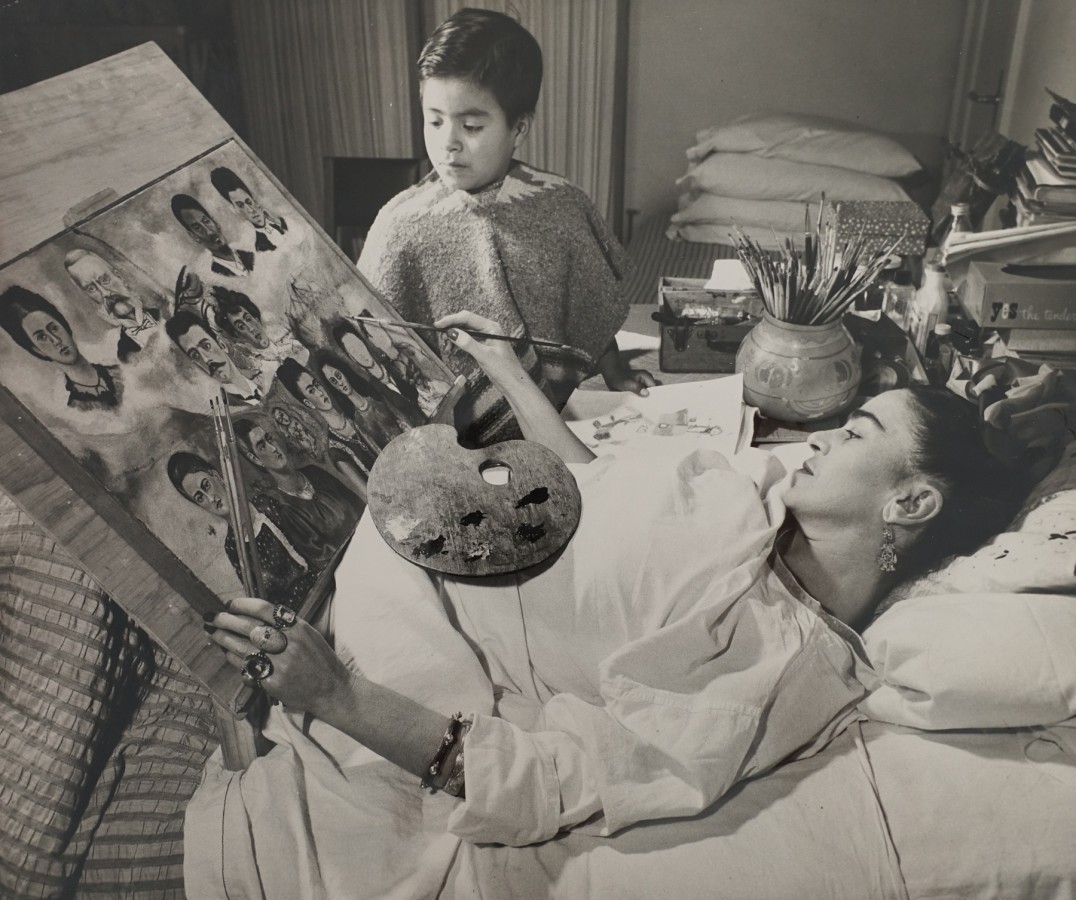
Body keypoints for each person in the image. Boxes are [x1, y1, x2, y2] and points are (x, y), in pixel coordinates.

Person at [206, 309, 1031, 848]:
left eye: (857, 434)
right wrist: (508, 370)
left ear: (911, 501)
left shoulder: (777, 661)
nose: (821, 439)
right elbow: (597, 487)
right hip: (417, 518)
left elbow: (555, 780)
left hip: (401, 608)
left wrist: (336, 696)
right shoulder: (775, 492)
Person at [357, 8, 655, 445]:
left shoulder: (559, 205)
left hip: (559, 429)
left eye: (471, 125)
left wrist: (614, 370)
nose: (448, 142)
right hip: (444, 440)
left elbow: (588, 308)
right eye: (434, 120)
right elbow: (374, 344)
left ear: (519, 128)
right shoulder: (401, 224)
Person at [167, 450, 317, 608]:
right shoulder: (233, 547)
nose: (211, 498)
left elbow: (309, 543)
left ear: (216, 476)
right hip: (294, 613)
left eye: (206, 486)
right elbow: (260, 599)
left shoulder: (265, 505)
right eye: (200, 497)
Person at [231, 416, 364, 567]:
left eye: (269, 439)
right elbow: (324, 559)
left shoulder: (315, 473)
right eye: (262, 446)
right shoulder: (286, 510)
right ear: (255, 459)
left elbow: (359, 505)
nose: (273, 448)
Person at [0, 285, 122, 411]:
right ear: (36, 350)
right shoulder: (72, 407)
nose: (56, 340)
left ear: (64, 326)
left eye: (54, 328)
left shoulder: (121, 369)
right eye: (42, 337)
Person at [63, 249, 164, 362]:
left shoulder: (164, 313)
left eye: (105, 279)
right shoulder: (124, 353)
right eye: (91, 289)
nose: (105, 293)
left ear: (119, 277)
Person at [165, 310, 265, 405]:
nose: (206, 360)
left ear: (222, 345)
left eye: (206, 346)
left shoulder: (262, 377)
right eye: (195, 355)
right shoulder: (225, 406)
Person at [170, 193, 254, 278]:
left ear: (215, 222)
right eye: (197, 228)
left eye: (206, 221)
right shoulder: (213, 275)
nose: (208, 231)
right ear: (194, 237)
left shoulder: (250, 254)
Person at [209, 166, 289, 252]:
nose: (251, 210)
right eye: (240, 205)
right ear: (234, 209)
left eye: (249, 202)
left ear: (253, 199)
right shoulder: (254, 245)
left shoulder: (283, 221)